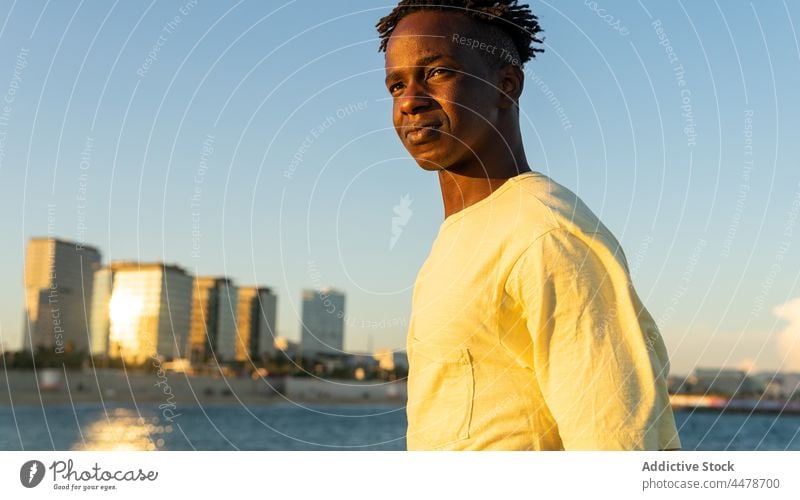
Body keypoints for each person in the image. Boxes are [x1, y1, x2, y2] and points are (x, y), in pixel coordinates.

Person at [376, 0, 681, 450]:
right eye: (396, 84)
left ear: (506, 85)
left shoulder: (545, 232)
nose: (410, 101)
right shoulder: (465, 234)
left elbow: (615, 440)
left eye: (437, 72)